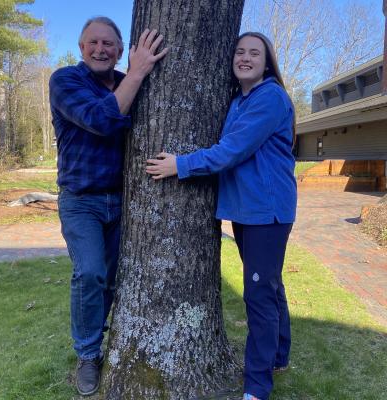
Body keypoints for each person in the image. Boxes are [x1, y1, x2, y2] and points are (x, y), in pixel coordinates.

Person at [146, 32, 296, 400]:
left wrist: (180, 164)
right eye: (240, 52)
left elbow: (231, 150)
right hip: (248, 209)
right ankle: (279, 354)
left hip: (267, 211)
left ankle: (257, 387)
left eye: (254, 53)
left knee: (259, 293)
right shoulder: (238, 101)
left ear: (267, 61)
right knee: (269, 285)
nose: (245, 58)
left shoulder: (269, 98)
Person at [49, 17, 167, 396]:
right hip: (81, 201)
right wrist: (139, 71)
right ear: (82, 47)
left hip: (122, 201)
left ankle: (104, 338)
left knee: (113, 280)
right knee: (90, 273)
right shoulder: (66, 81)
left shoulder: (126, 81)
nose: (101, 50)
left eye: (109, 44)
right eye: (93, 43)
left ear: (120, 49)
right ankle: (87, 354)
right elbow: (100, 119)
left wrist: (134, 76)